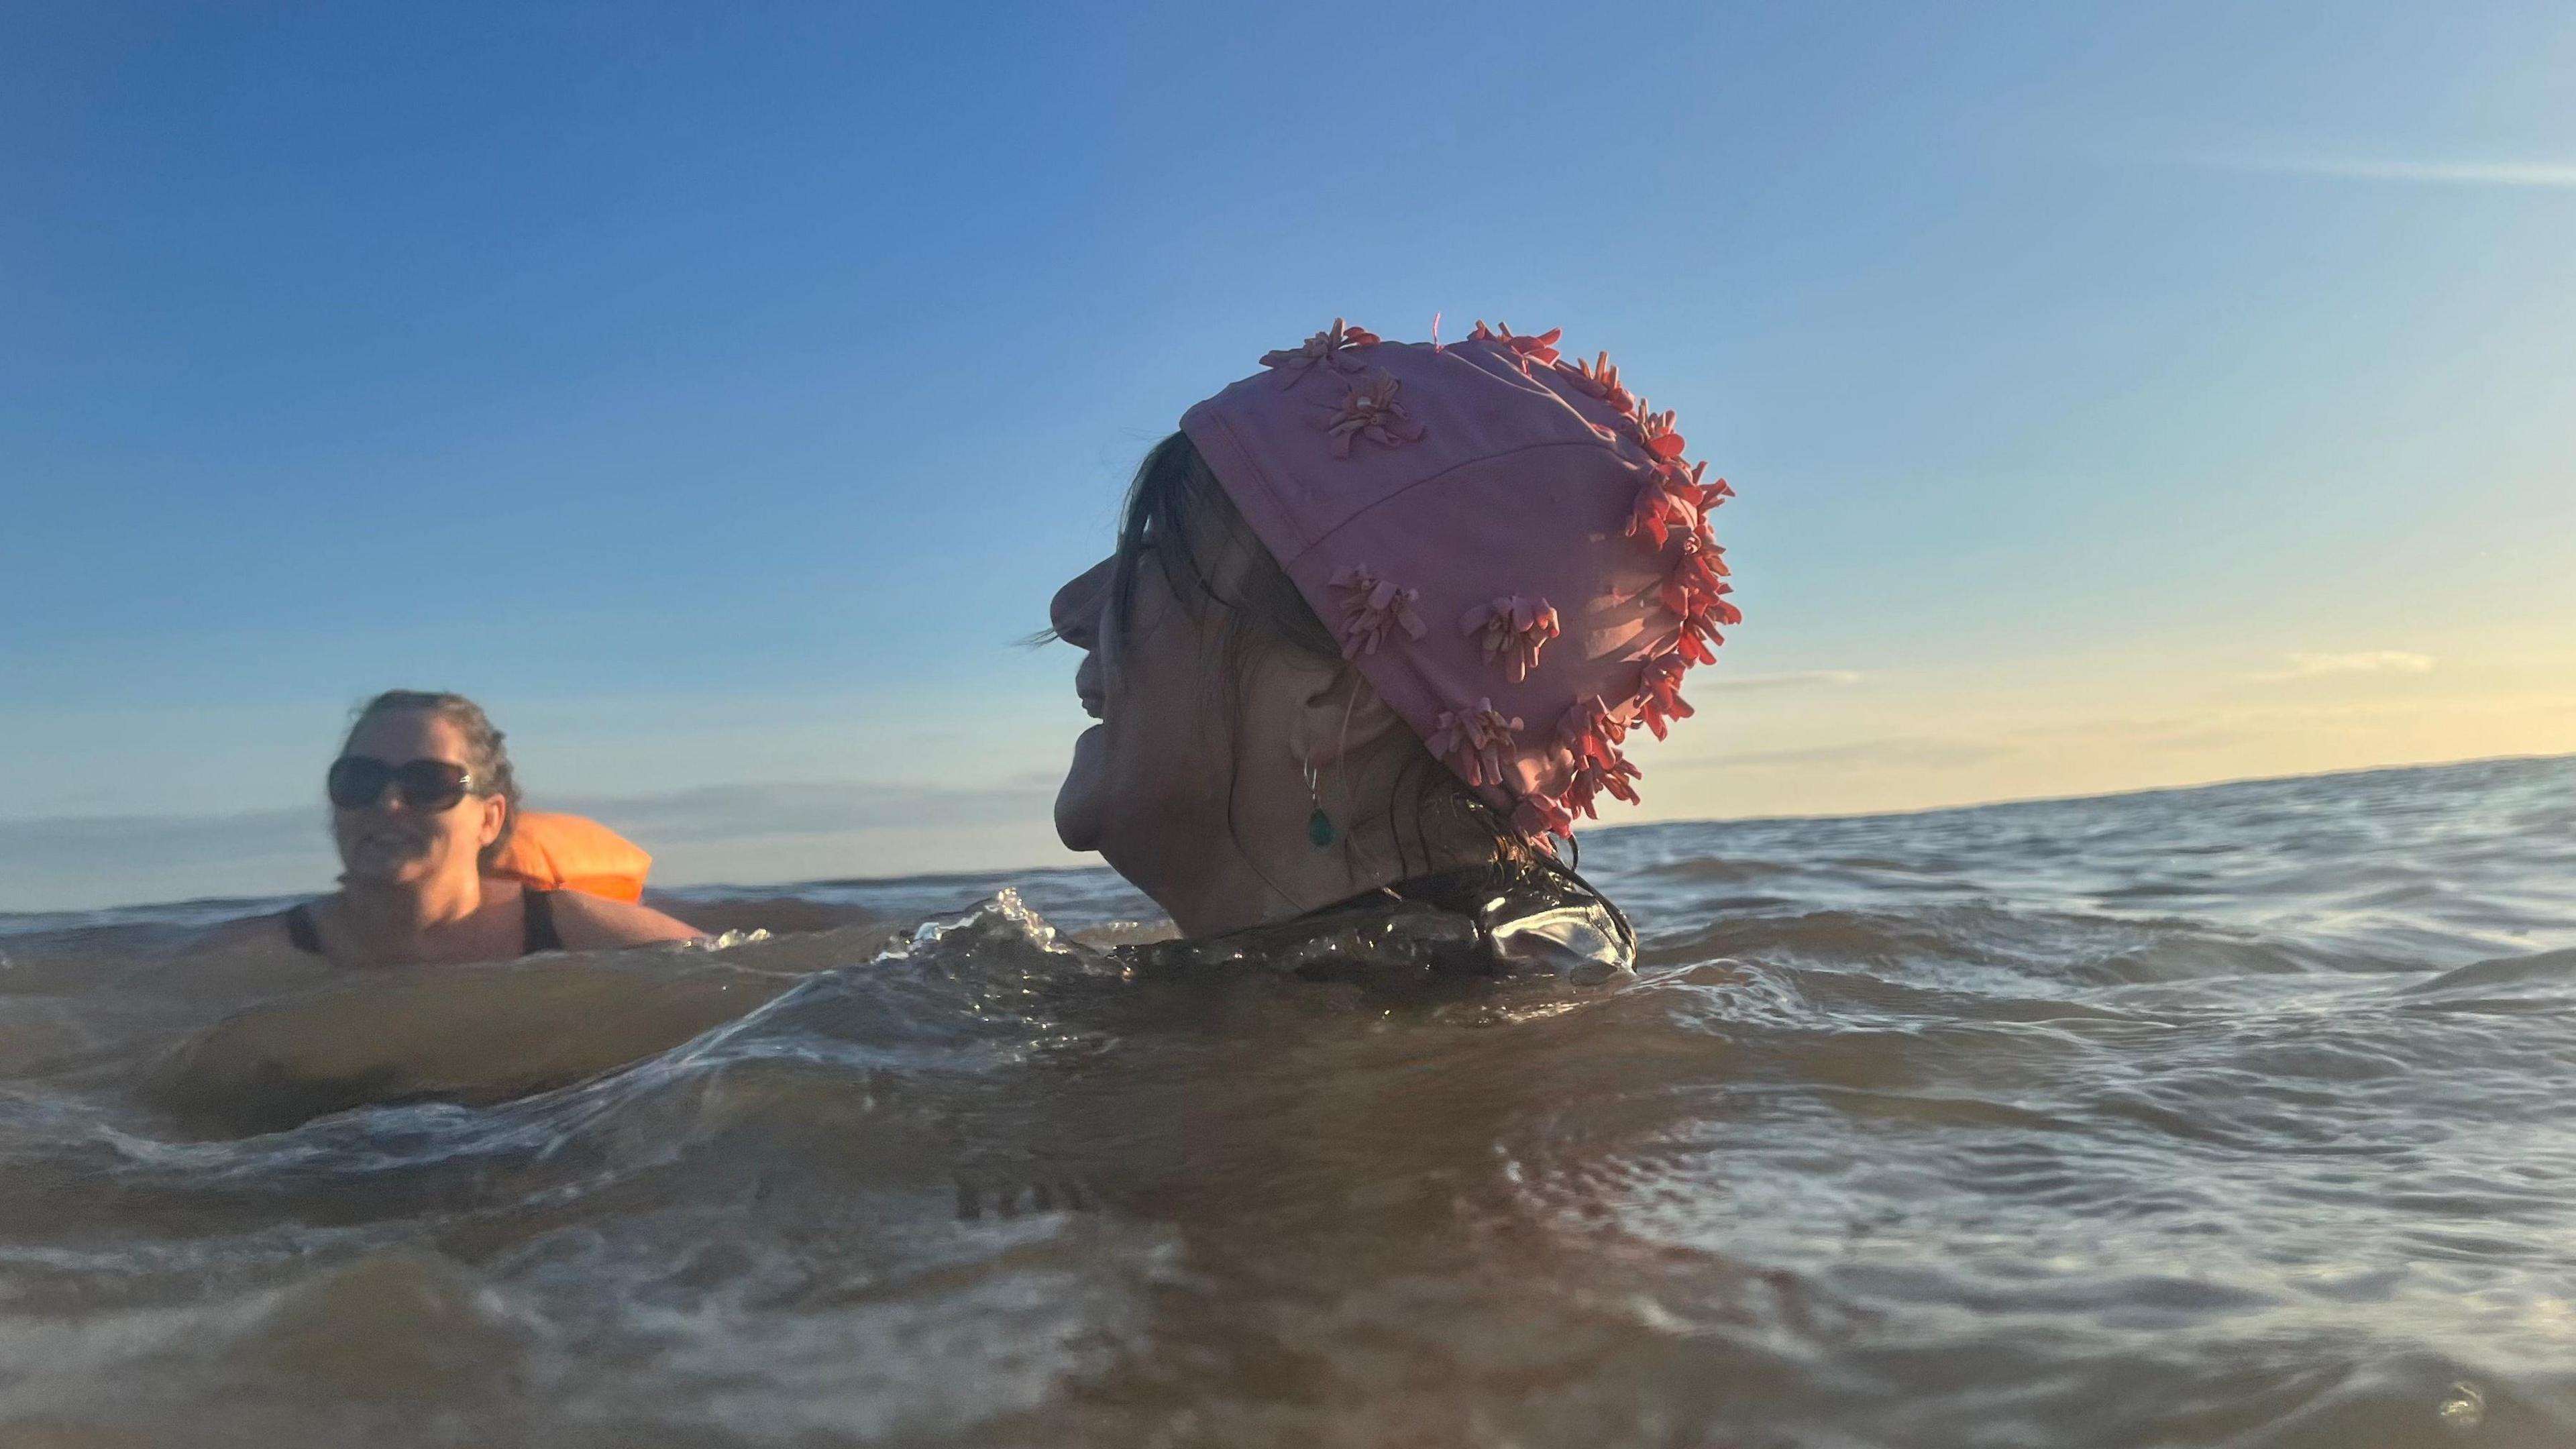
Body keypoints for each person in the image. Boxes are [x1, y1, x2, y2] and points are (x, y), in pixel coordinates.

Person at [1048, 317, 1739, 983]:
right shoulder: (1512, 995)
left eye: (1156, 555)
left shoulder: (1298, 1064)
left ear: (1332, 695)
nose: (1073, 611)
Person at [246, 690, 703, 967]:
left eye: (428, 783)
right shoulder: (264, 958)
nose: (388, 803)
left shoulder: (578, 933)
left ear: (489, 819)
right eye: (359, 780)